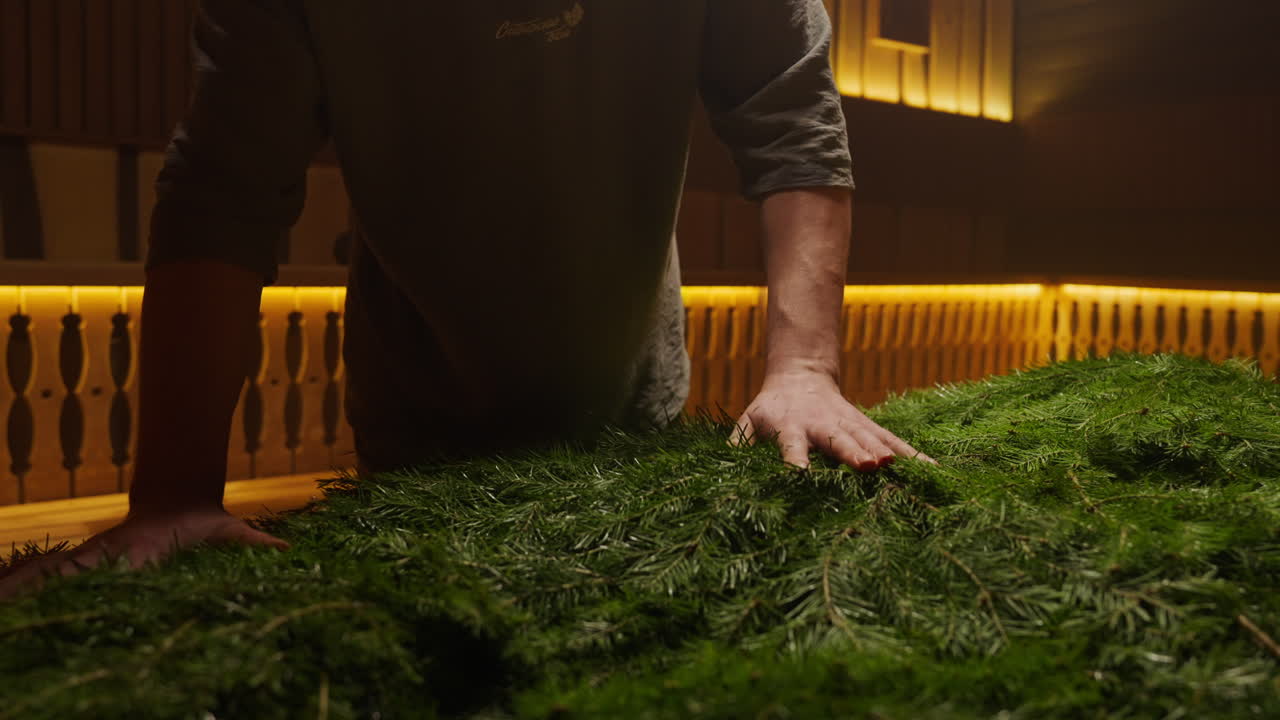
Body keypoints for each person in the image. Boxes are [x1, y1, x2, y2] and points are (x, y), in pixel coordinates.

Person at [0, 0, 935, 599]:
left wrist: (806, 367)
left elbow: (793, 119)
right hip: (415, 423)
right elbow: (221, 196)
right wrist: (170, 492)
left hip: (632, 412)